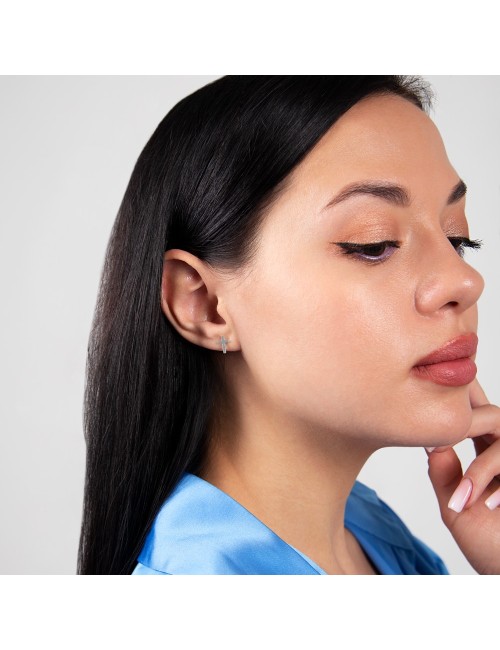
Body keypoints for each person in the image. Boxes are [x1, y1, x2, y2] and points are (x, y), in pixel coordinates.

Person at [77, 76, 500, 575]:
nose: (465, 280)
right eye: (374, 243)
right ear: (205, 305)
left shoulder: (369, 533)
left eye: (458, 239)